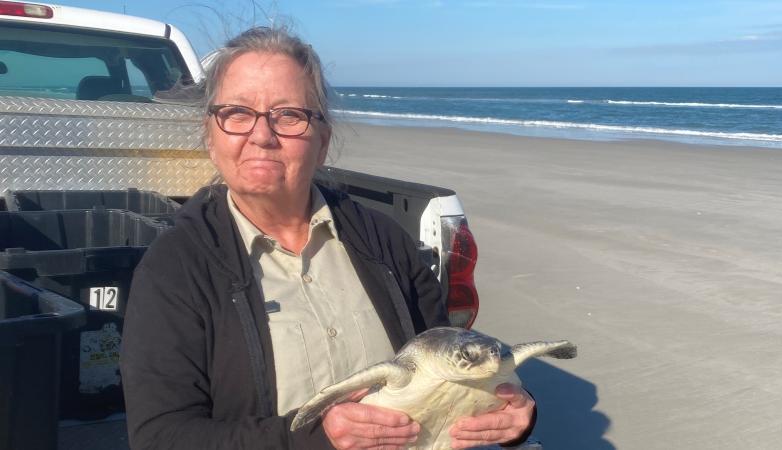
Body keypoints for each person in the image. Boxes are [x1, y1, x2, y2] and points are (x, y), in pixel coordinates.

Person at [120, 26, 536, 450]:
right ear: (211, 137)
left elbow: (448, 356)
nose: (261, 136)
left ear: (322, 142)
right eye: (237, 113)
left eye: (288, 115)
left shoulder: (383, 241)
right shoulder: (176, 267)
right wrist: (312, 438)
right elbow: (160, 437)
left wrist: (514, 410)